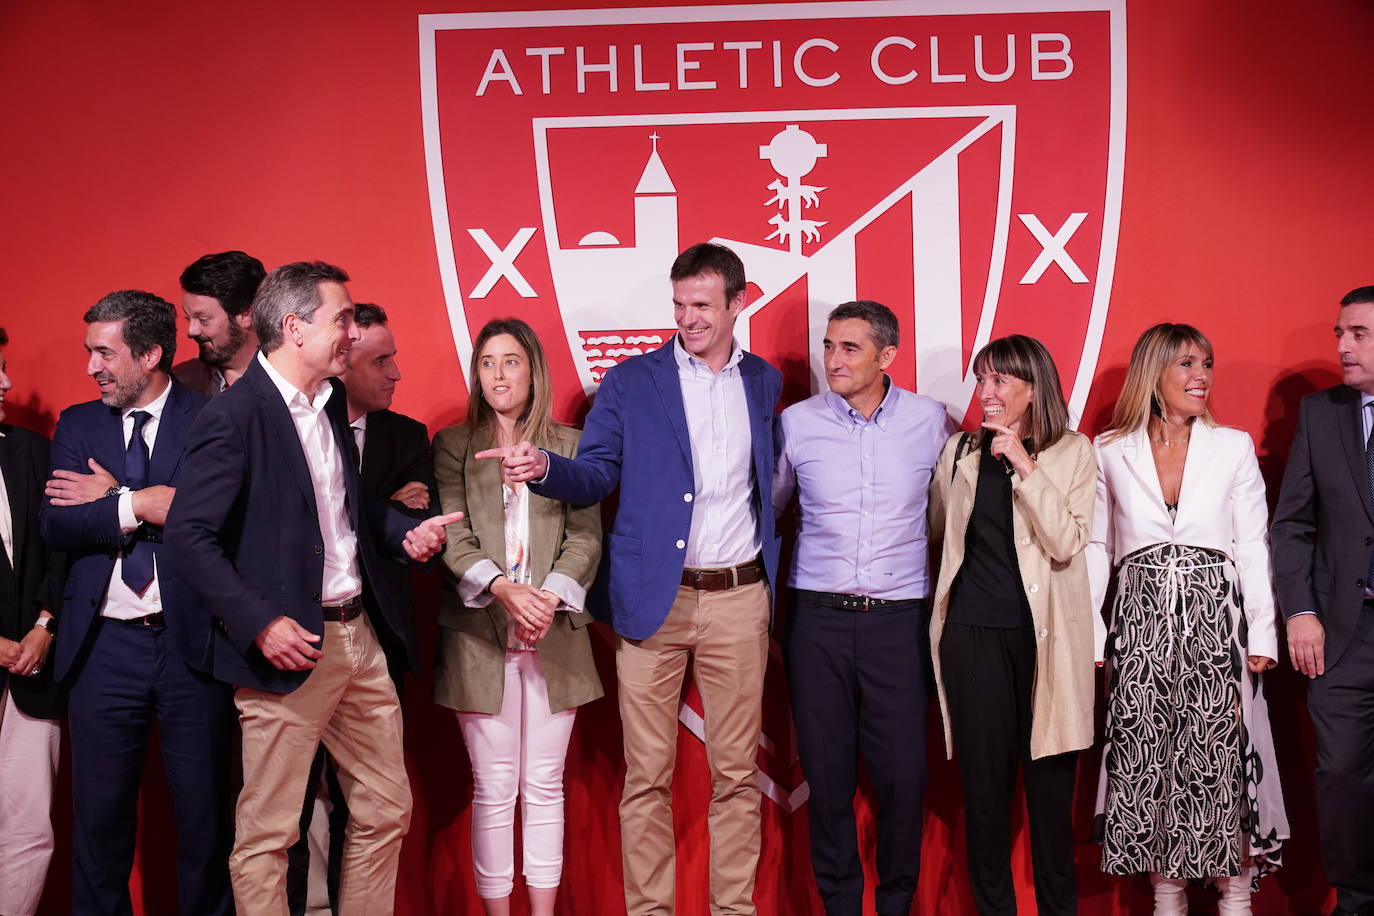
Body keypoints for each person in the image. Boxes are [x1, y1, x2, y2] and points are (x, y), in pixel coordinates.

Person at [486, 242, 783, 916]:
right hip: (654, 600)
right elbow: (595, 472)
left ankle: (732, 911)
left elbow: (771, 487)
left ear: (740, 301)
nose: (688, 319)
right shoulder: (628, 382)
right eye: (679, 306)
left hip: (740, 600)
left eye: (703, 306)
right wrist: (545, 470)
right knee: (647, 778)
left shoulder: (763, 382)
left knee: (736, 777)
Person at [164, 261, 460, 915]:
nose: (352, 333)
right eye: (342, 319)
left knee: (385, 810)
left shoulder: (325, 406)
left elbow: (342, 509)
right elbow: (188, 538)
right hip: (290, 651)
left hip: (360, 639)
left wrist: (400, 533)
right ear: (295, 328)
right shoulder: (234, 417)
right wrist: (260, 624)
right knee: (269, 834)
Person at [40, 291, 235, 915]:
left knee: (205, 826)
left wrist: (111, 497)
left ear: (151, 354)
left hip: (192, 647)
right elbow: (58, 525)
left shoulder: (212, 420)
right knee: (97, 828)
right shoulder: (77, 425)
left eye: (105, 353)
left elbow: (215, 520)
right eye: (89, 352)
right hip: (103, 650)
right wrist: (138, 502)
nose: (92, 368)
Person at [1088, 323, 1287, 914]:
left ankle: (1235, 901)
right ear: (1154, 374)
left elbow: (1254, 544)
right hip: (1140, 626)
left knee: (1222, 762)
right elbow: (1097, 546)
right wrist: (1097, 634)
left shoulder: (1233, 446)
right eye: (1186, 364)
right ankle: (1166, 899)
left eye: (1207, 363)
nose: (1201, 375)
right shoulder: (1107, 450)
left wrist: (1263, 630)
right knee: (1148, 766)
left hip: (1217, 624)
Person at [772, 300, 952, 916]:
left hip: (899, 622)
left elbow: (950, 520)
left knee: (904, 779)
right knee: (827, 781)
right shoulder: (796, 423)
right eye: (828, 346)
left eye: (849, 348)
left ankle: (896, 903)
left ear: (887, 356)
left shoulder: (932, 422)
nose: (832, 360)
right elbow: (767, 512)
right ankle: (841, 905)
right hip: (816, 620)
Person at [432, 317, 603, 916]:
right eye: (488, 363)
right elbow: (453, 539)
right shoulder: (454, 445)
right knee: (496, 786)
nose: (499, 374)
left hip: (553, 632)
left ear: (533, 370)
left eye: (511, 361)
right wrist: (506, 592)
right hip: (482, 634)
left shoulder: (573, 444)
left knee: (545, 786)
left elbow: (585, 538)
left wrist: (545, 599)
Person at [928, 334, 1095, 916]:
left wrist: (1024, 463)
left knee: (1051, 804)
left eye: (999, 381)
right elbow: (939, 537)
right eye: (981, 380)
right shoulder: (958, 453)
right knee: (985, 801)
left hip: (1047, 642)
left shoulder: (1072, 451)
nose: (985, 393)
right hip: (972, 638)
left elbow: (1067, 540)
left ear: (1033, 388)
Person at [287, 302, 439, 915]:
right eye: (381, 360)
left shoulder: (406, 436)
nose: (396, 372)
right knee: (287, 813)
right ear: (341, 363)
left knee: (373, 809)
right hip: (296, 641)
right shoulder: (291, 425)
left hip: (376, 638)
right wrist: (386, 506)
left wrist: (398, 518)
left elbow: (411, 524)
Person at [1272, 285, 1374, 916]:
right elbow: (1291, 525)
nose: (1341, 346)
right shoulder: (1320, 413)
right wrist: (1300, 611)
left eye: (1358, 334)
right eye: (1339, 333)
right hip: (1345, 630)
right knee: (1340, 776)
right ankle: (1358, 899)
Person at [0, 326, 66, 916]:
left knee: (28, 830)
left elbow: (61, 552)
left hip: (33, 670)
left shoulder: (34, 451)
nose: (6, 382)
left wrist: (45, 625)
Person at [174, 249, 266, 395]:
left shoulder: (296, 378)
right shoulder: (179, 386)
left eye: (203, 320)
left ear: (247, 314)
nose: (191, 331)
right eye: (188, 318)